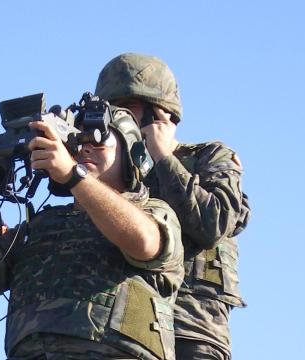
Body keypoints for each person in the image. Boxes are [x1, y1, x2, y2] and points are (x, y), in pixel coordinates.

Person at [0, 112, 184, 359]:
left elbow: (144, 242)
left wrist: (74, 175)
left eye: (99, 139)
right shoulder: (41, 225)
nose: (86, 148)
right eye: (79, 142)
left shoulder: (154, 212)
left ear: (133, 156)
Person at [95, 53, 251, 360]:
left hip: (190, 328)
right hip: (126, 331)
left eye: (125, 109)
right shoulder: (112, 166)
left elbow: (213, 223)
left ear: (159, 113)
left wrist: (163, 157)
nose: (115, 119)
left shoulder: (209, 157)